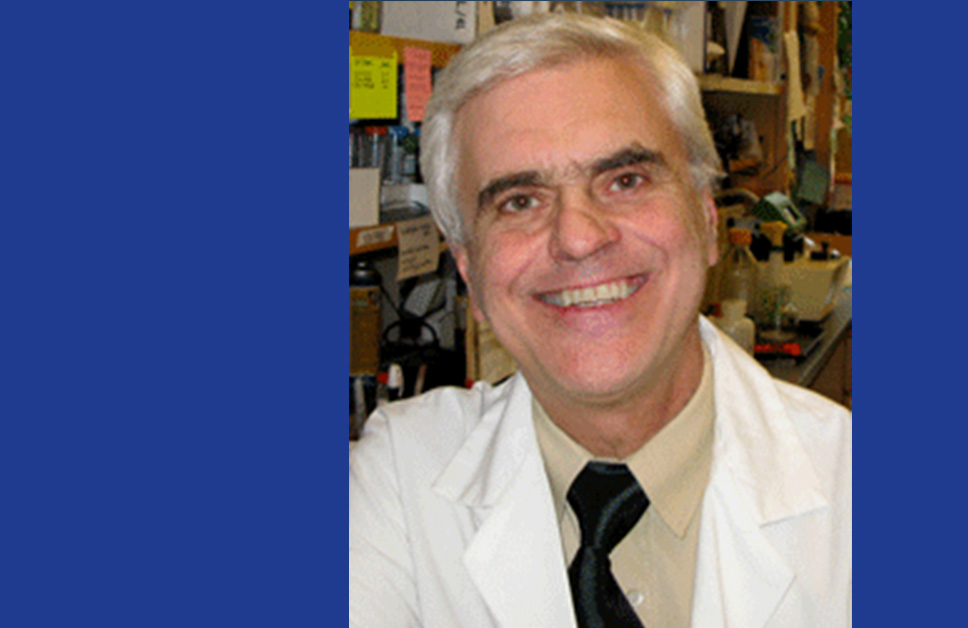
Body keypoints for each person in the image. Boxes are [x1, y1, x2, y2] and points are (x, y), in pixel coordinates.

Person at [350, 12, 851, 628]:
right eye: (520, 201)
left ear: (706, 220)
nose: (578, 237)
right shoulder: (399, 481)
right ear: (469, 271)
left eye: (625, 180)